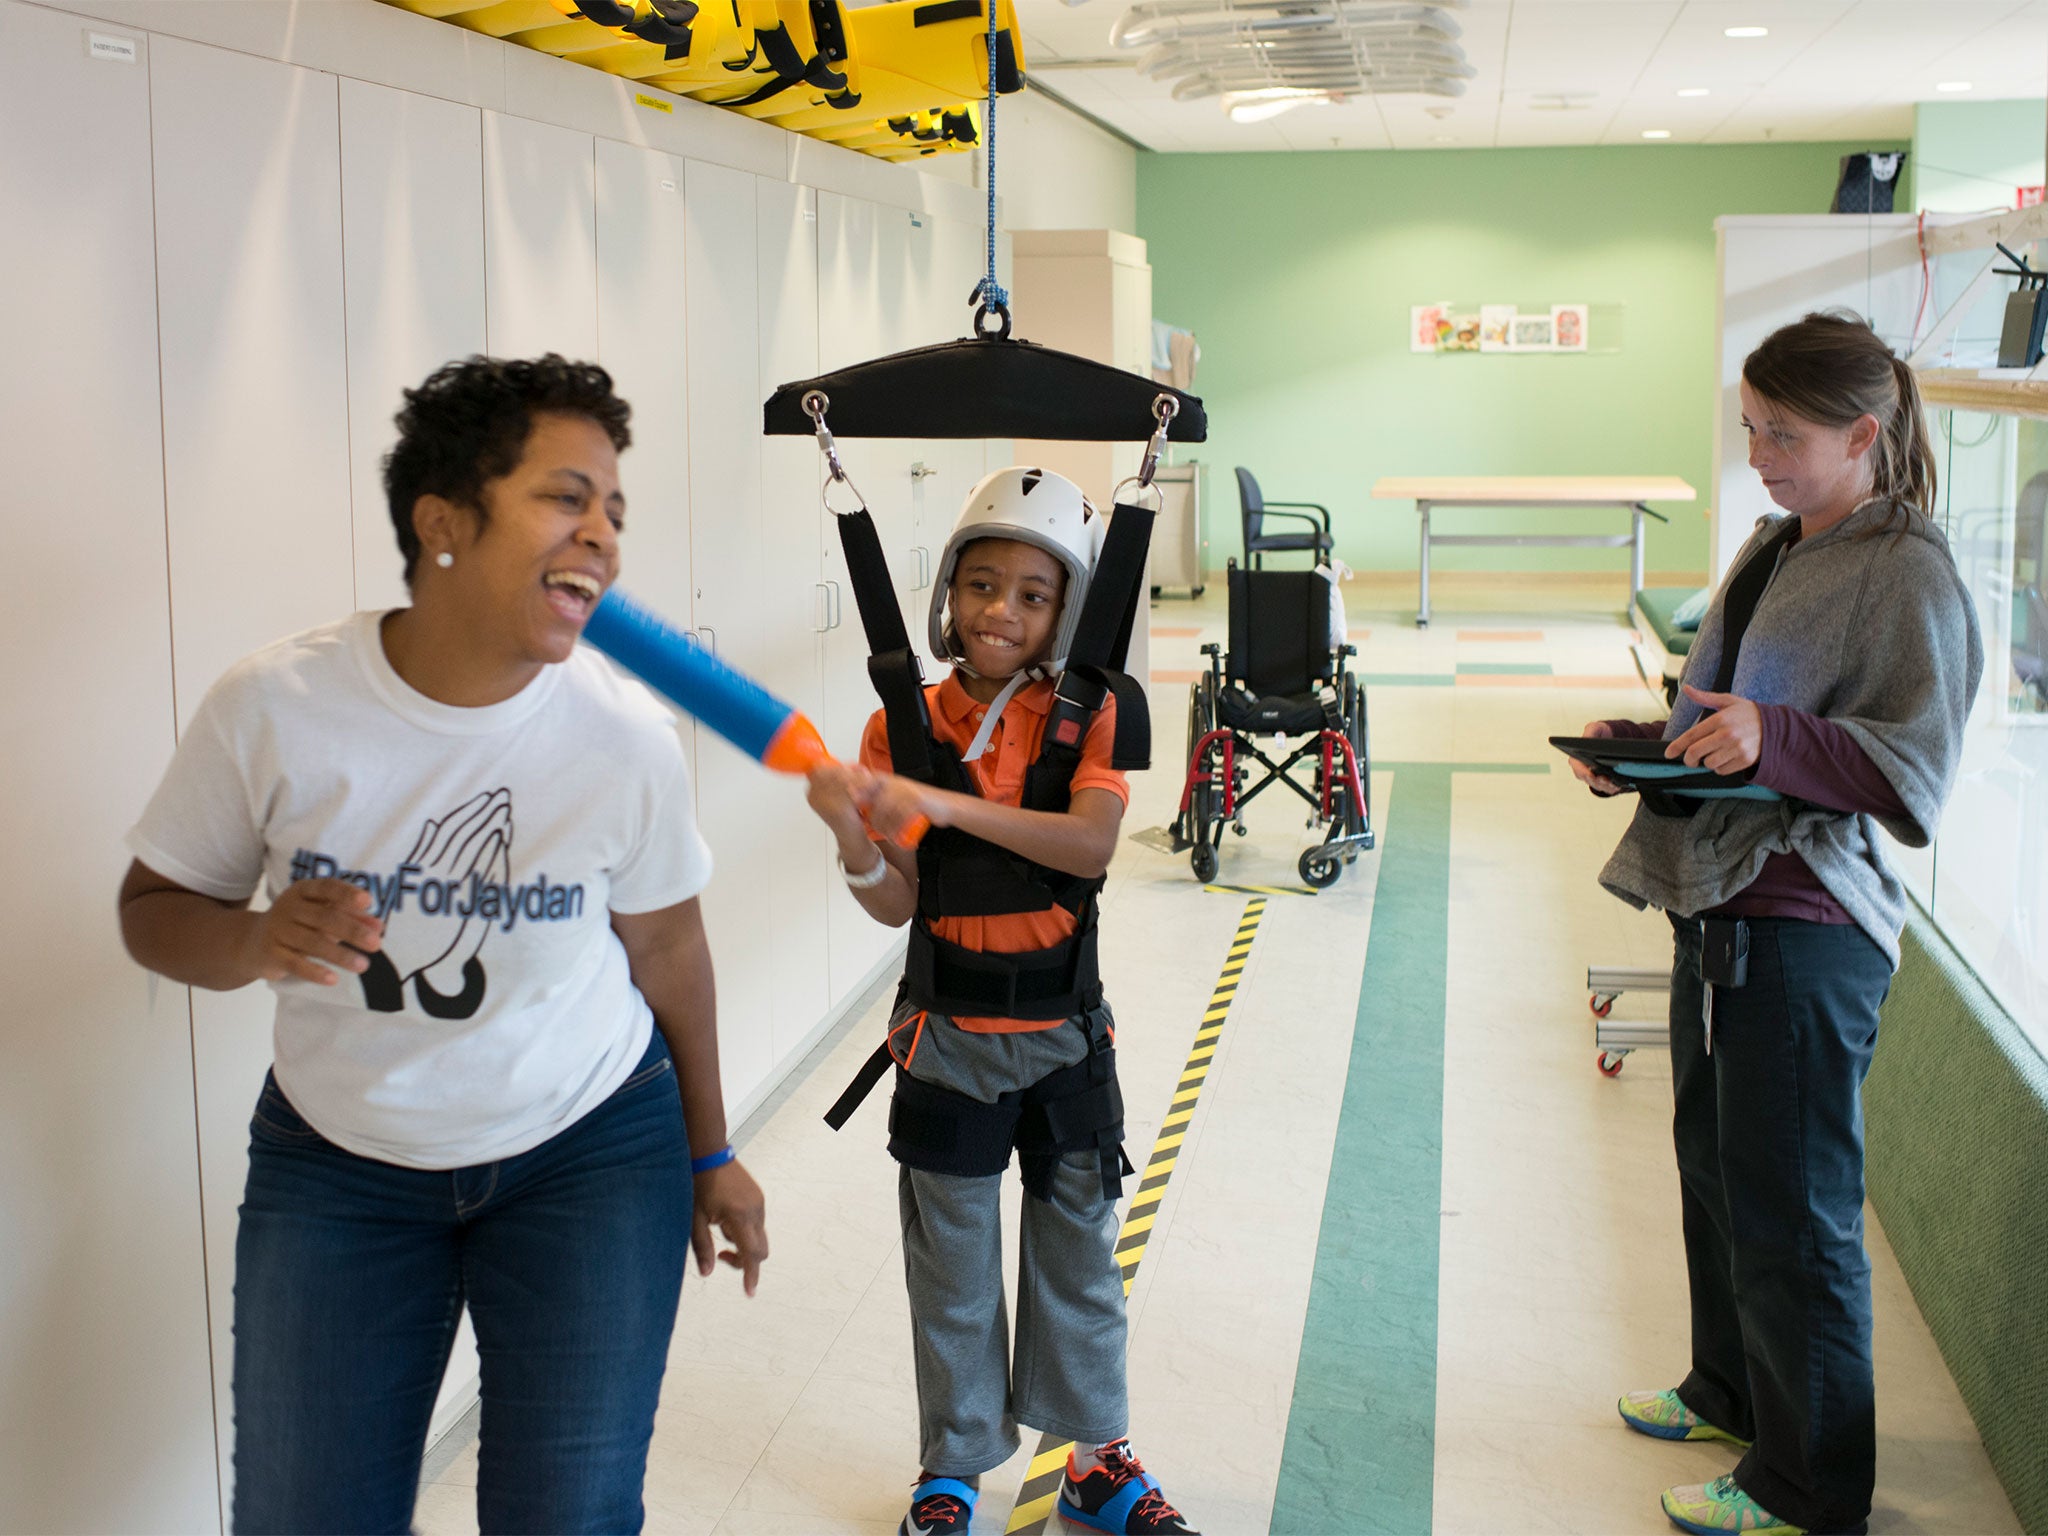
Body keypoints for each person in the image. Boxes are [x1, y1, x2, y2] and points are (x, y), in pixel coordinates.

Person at [116, 355, 769, 1535]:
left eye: (615, 512)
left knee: (566, 1513)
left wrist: (707, 1156)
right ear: (444, 522)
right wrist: (259, 937)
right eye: (566, 497)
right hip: (338, 1159)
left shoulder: (623, 736)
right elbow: (151, 910)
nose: (604, 538)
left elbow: (670, 951)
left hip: (586, 1150)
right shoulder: (277, 707)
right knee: (305, 1514)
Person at [1573, 312, 1982, 1536]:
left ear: (1864, 434)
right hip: (1721, 904)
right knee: (1715, 1169)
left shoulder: (1904, 566)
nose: (1756, 451)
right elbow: (1729, 717)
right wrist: (1643, 752)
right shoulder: (1773, 540)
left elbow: (1915, 766)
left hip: (1807, 928)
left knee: (1794, 1209)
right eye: (1748, 426)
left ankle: (1809, 1489)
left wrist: (1772, 739)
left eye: (1783, 433)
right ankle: (1730, 1388)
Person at [805, 467, 1198, 1536]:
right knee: (954, 1268)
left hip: (1064, 1041)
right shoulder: (905, 723)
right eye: (982, 586)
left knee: (1078, 1256)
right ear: (947, 596)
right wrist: (852, 829)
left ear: (1065, 613)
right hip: (945, 1042)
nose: (1001, 612)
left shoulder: (1089, 718)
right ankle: (951, 1466)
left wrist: (934, 803)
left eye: (1032, 595)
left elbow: (1087, 841)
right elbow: (894, 902)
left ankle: (1094, 1460)